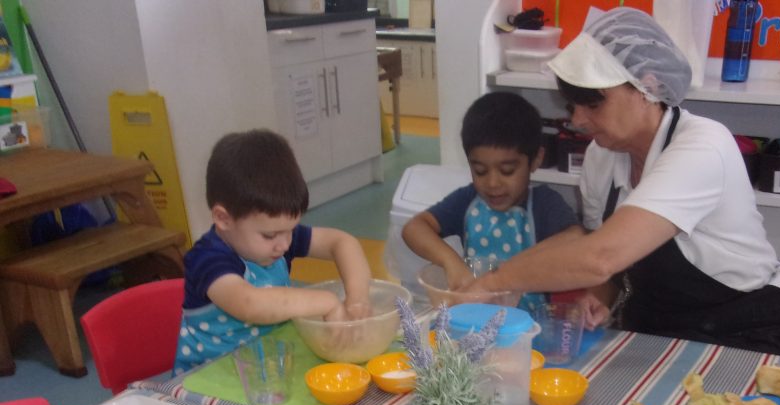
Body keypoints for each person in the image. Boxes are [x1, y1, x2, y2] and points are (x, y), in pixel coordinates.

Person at [466, 8, 780, 357]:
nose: (578, 120)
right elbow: (609, 262)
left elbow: (600, 257)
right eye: (572, 106)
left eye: (592, 103)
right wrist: (600, 296)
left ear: (648, 86)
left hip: (746, 335)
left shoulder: (704, 146)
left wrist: (496, 281)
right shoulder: (602, 156)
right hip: (658, 331)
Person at [174, 129, 371, 373]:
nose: (285, 244)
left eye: (290, 230)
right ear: (223, 218)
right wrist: (328, 302)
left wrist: (358, 298)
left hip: (267, 368)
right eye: (269, 236)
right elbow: (250, 304)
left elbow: (342, 242)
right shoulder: (208, 259)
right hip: (207, 380)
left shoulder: (276, 237)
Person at [402, 91, 582, 316]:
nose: (492, 183)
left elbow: (575, 239)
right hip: (475, 322)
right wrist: (451, 262)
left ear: (536, 159)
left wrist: (516, 270)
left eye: (507, 171)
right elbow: (414, 228)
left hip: (532, 327)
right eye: (480, 171)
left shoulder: (544, 204)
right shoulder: (468, 201)